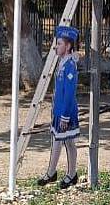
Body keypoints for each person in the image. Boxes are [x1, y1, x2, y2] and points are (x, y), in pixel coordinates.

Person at [36, 25, 80, 189]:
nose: (55, 46)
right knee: (67, 142)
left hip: (66, 112)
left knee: (60, 142)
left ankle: (52, 173)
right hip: (59, 111)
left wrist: (64, 116)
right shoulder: (62, 62)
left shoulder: (69, 66)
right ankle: (71, 173)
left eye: (59, 43)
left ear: (68, 46)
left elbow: (69, 93)